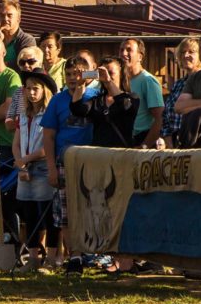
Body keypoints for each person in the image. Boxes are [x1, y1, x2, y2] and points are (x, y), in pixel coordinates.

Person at [41, 55, 99, 275]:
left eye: (78, 74)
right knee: (65, 211)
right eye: (68, 74)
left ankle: (93, 253)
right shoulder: (57, 100)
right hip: (64, 159)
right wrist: (51, 167)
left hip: (93, 159)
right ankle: (74, 255)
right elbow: (48, 136)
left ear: (87, 74)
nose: (73, 79)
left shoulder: (97, 95)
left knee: (92, 208)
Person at [12, 70, 57, 271]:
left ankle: (52, 257)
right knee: (29, 213)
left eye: (35, 88)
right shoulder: (24, 114)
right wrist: (19, 162)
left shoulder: (49, 113)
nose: (31, 93)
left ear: (44, 90)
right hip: (24, 166)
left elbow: (48, 144)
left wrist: (25, 159)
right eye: (28, 89)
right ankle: (33, 257)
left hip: (43, 165)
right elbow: (16, 141)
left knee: (48, 212)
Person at [72, 56, 137, 149]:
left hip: (122, 156)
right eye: (103, 73)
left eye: (111, 73)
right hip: (100, 156)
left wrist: (108, 82)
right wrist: (80, 84)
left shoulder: (132, 98)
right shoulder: (97, 101)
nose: (107, 76)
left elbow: (126, 106)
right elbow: (77, 110)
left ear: (121, 75)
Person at [120, 38, 164, 149]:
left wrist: (144, 145)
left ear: (140, 56)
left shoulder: (148, 81)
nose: (124, 53)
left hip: (142, 140)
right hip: (125, 140)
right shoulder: (120, 80)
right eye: (121, 50)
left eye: (129, 50)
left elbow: (160, 118)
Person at [162, 37, 201, 145]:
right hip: (175, 144)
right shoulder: (178, 84)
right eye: (183, 52)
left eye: (191, 52)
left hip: (197, 142)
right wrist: (170, 147)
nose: (185, 55)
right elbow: (165, 116)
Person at [0, 0, 36, 68]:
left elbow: (22, 63)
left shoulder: (27, 40)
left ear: (18, 19)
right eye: (2, 15)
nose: (5, 19)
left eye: (9, 15)